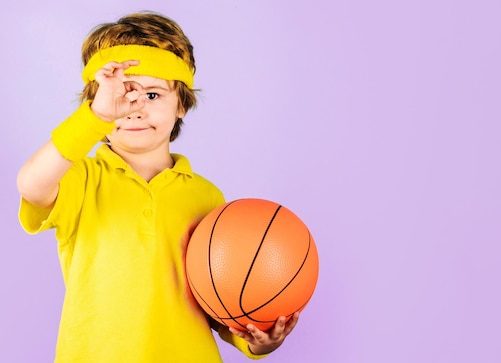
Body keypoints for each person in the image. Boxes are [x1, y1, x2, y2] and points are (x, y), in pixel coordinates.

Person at [16, 11, 298, 362]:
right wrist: (95, 117)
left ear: (181, 103)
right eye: (120, 97)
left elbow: (218, 301)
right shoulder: (81, 178)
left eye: (152, 95)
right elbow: (31, 185)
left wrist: (254, 342)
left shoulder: (207, 197)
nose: (133, 109)